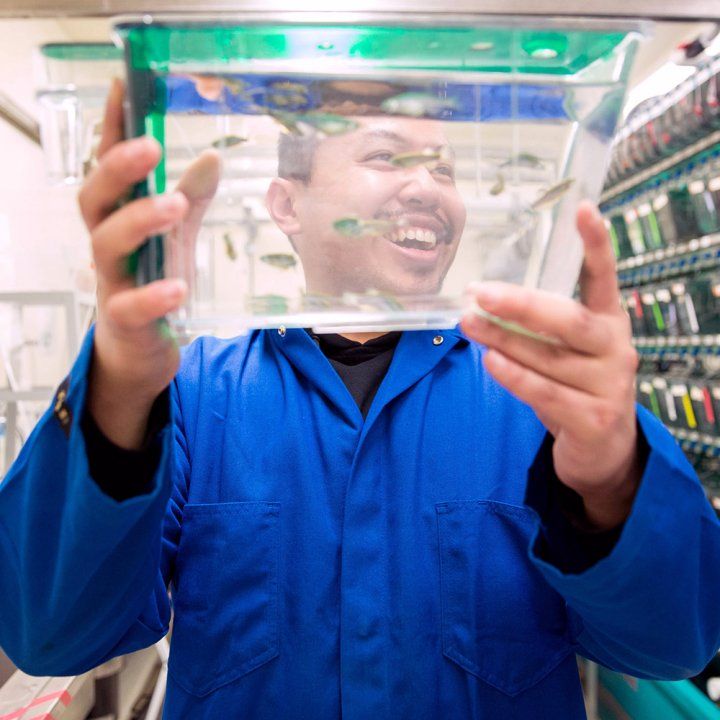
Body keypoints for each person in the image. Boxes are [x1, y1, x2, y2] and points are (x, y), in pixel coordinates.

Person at [0, 77, 719, 720]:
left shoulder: (534, 390)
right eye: (387, 157)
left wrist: (615, 479)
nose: (429, 188)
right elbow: (52, 631)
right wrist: (117, 390)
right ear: (288, 203)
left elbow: (675, 642)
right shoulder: (190, 390)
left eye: (444, 168)